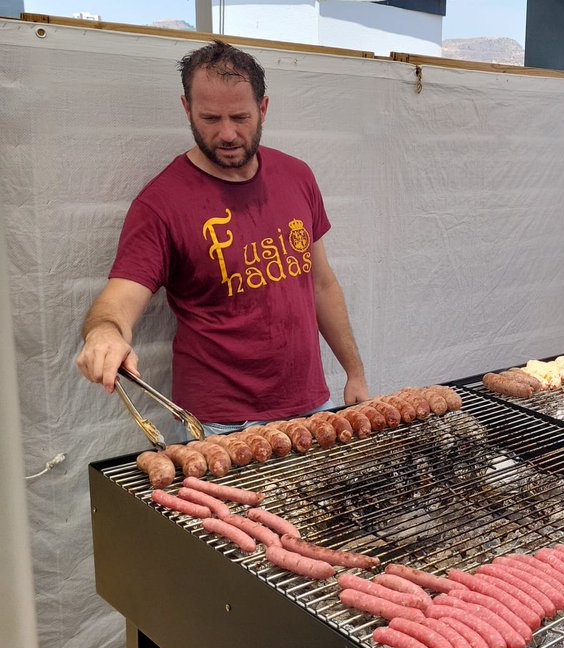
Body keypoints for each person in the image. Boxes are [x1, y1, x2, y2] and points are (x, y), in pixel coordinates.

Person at [75, 40, 367, 436]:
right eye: (210, 118)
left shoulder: (297, 176)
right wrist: (104, 333)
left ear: (263, 109)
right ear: (187, 109)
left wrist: (354, 371)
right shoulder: (161, 204)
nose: (227, 134)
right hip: (219, 426)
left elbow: (321, 282)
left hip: (312, 406)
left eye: (240, 117)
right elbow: (118, 301)